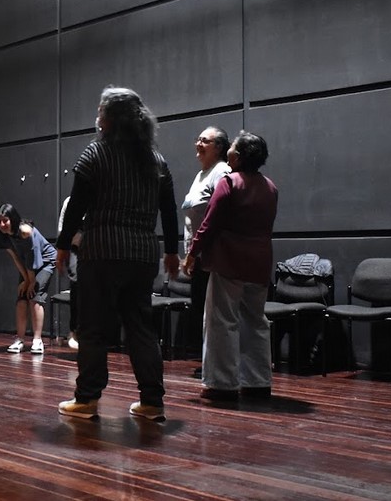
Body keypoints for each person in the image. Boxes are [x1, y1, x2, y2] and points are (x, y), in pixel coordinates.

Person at [56, 86, 179, 422]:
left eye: (100, 111)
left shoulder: (95, 154)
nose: (97, 117)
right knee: (141, 327)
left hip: (102, 251)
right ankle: (152, 402)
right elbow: (168, 210)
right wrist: (171, 251)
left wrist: (64, 245)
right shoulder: (156, 160)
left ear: (111, 118)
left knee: (93, 327)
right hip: (142, 254)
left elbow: (76, 207)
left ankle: (87, 399)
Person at [181, 131, 278, 402]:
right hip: (260, 264)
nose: (229, 153)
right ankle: (258, 381)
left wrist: (192, 254)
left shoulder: (229, 182)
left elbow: (209, 223)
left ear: (238, 155)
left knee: (222, 321)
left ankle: (221, 384)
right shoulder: (271, 187)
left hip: (230, 262)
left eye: (232, 148)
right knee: (256, 321)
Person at [181, 127, 231, 377]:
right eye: (197, 138)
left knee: (213, 314)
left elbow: (216, 217)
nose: (197, 144)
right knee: (203, 311)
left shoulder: (221, 172)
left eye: (204, 140)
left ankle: (218, 368)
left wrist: (195, 252)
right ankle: (211, 365)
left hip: (212, 257)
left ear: (219, 147)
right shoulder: (202, 174)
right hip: (199, 256)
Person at [0, 203, 56, 354]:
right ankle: (19, 339)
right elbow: (16, 258)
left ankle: (37, 340)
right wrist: (26, 280)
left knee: (34, 297)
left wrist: (31, 281)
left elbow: (33, 256)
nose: (2, 224)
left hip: (45, 262)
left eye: (5, 220)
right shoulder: (2, 235)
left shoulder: (25, 231)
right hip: (28, 266)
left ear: (13, 219)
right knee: (22, 299)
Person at [57, 196, 81, 350]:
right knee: (77, 284)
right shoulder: (70, 201)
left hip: (96, 247)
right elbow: (62, 229)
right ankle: (74, 331)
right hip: (75, 247)